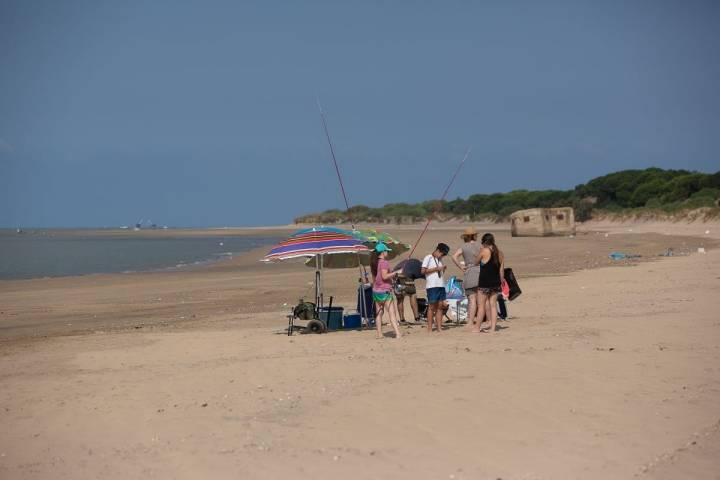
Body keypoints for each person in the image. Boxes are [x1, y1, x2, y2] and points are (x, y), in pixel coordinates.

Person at [451, 227, 482, 331]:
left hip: (469, 272)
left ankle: (470, 322)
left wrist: (461, 266)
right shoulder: (480, 246)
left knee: (472, 299)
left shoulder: (463, 247)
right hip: (480, 272)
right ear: (474, 235)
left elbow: (454, 257)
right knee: (481, 300)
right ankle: (481, 320)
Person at [371, 243, 403, 339]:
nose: (387, 252)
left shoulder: (375, 262)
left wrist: (391, 274)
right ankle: (398, 333)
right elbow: (384, 276)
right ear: (382, 252)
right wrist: (396, 272)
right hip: (384, 291)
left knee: (379, 313)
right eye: (386, 251)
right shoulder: (384, 262)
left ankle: (380, 334)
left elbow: (378, 277)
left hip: (376, 291)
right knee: (392, 313)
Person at [474, 233, 505, 333]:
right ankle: (492, 328)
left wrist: (478, 254)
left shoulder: (484, 250)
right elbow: (501, 270)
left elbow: (476, 262)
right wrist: (501, 281)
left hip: (484, 282)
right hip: (496, 282)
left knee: (481, 305)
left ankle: (477, 328)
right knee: (493, 305)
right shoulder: (499, 253)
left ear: (484, 242)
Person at [421, 242, 450, 333]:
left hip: (441, 285)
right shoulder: (428, 257)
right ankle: (430, 328)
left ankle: (439, 328)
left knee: (440, 307)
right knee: (432, 307)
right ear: (438, 250)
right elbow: (423, 271)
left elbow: (439, 274)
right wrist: (436, 269)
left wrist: (442, 270)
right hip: (432, 286)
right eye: (442, 254)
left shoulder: (440, 260)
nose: (443, 256)